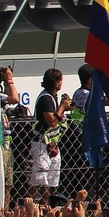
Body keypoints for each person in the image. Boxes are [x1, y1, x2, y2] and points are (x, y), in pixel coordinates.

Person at [31, 68, 70, 203]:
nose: (62, 83)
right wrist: (62, 107)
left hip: (53, 143)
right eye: (60, 80)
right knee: (42, 179)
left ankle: (49, 204)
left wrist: (65, 106)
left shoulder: (53, 97)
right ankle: (43, 205)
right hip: (41, 143)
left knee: (53, 178)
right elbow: (52, 122)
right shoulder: (45, 98)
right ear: (56, 82)